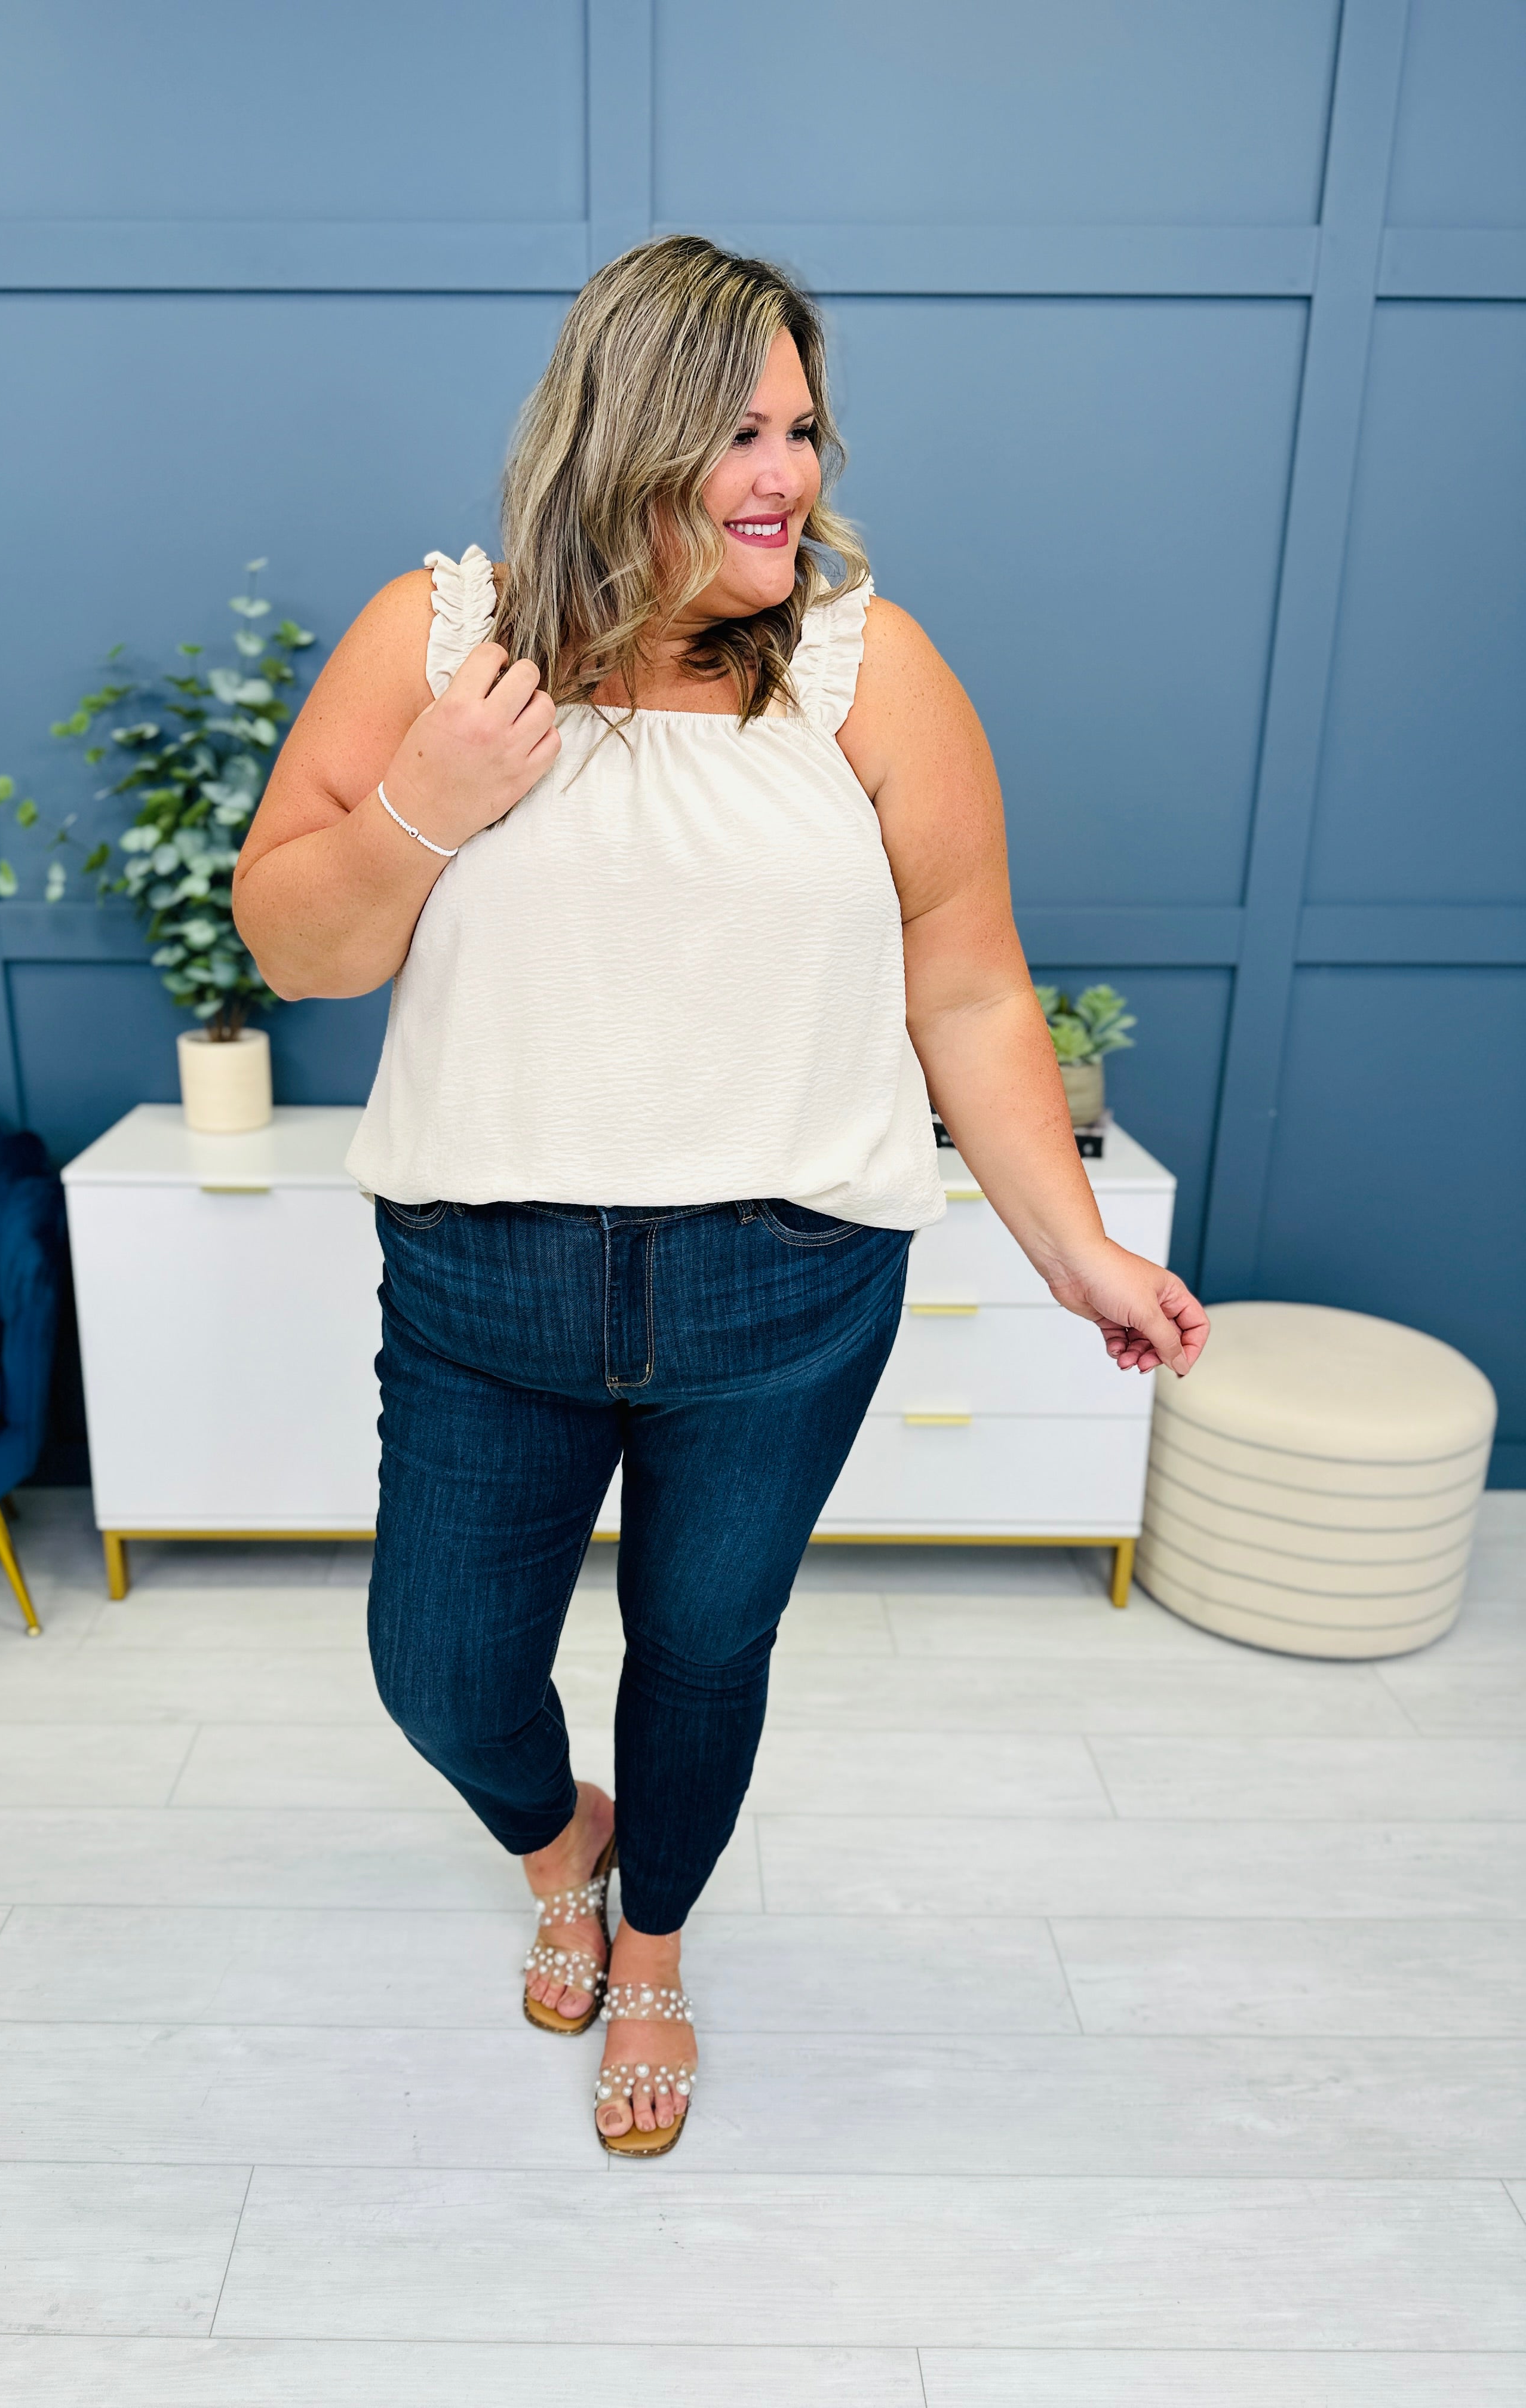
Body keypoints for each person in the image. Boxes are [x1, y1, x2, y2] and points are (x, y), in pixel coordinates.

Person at [233, 235, 1209, 2158]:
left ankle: (655, 1944)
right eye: (738, 433)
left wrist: (1075, 1245)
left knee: (701, 1652)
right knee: (440, 1673)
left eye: (803, 430)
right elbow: (297, 948)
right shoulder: (441, 644)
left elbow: (967, 986)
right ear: (622, 433)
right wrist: (431, 797)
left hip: (786, 1288)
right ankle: (564, 1851)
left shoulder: (867, 668)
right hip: (484, 1285)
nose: (787, 476)